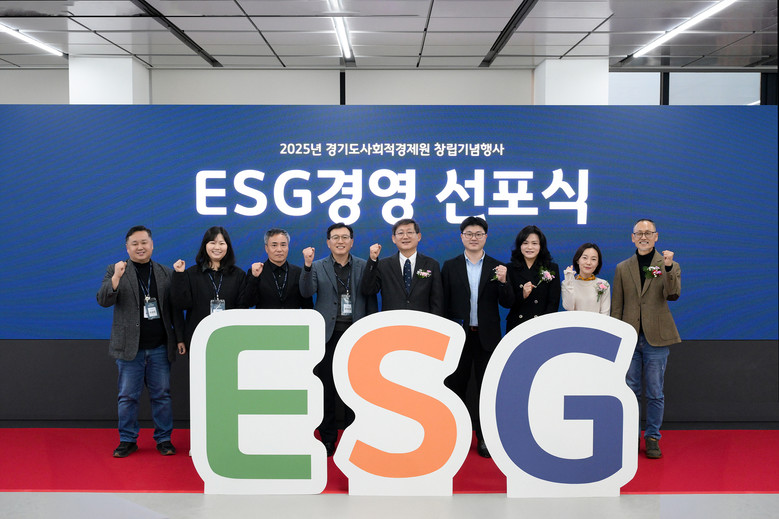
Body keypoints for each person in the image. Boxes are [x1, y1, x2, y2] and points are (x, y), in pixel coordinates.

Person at [97, 225, 185, 458]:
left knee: (162, 396)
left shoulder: (165, 273)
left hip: (159, 347)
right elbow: (103, 300)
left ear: (152, 245)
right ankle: (127, 440)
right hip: (129, 348)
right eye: (134, 243)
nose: (140, 247)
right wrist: (116, 277)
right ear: (127, 248)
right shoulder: (116, 270)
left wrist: (178, 339)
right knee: (127, 397)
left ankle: (164, 439)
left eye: (144, 242)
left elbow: (174, 309)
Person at [299, 223, 378, 457]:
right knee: (327, 389)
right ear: (328, 242)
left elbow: (371, 298)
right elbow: (306, 292)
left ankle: (356, 438)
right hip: (328, 336)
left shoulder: (363, 265)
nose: (340, 241)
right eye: (335, 237)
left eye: (345, 237)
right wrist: (306, 266)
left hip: (356, 335)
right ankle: (328, 438)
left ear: (352, 242)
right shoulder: (317, 266)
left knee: (356, 389)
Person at [441, 216, 514, 458]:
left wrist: (503, 282)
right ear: (461, 237)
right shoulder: (450, 266)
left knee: (486, 390)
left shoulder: (497, 267)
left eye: (478, 234)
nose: (474, 238)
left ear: (485, 237)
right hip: (458, 338)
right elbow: (443, 303)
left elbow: (508, 302)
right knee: (455, 388)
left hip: (486, 338)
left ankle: (484, 438)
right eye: (469, 234)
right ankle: (455, 437)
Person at [611, 218, 681, 460]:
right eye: (639, 233)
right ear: (632, 238)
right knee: (630, 390)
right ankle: (631, 435)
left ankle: (652, 437)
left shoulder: (667, 264)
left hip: (656, 339)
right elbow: (617, 305)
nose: (643, 237)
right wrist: (617, 338)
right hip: (630, 339)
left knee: (654, 392)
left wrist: (668, 268)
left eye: (648, 233)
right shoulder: (623, 268)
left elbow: (673, 294)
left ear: (656, 236)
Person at [171, 226, 246, 349]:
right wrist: (179, 275)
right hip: (198, 339)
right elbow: (181, 304)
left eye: (221, 243)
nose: (217, 247)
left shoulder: (238, 275)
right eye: (212, 243)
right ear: (205, 246)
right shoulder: (191, 273)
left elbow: (242, 309)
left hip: (229, 339)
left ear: (227, 247)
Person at [360, 218, 443, 315]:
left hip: (422, 322)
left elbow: (437, 301)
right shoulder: (383, 265)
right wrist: (372, 260)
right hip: (392, 321)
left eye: (410, 232)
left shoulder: (431, 264)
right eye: (400, 233)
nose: (405, 236)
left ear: (419, 236)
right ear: (393, 239)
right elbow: (368, 290)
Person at [239, 228, 313, 310]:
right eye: (274, 245)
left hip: (292, 318)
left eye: (283, 245)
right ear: (266, 248)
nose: (279, 250)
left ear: (288, 247)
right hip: (265, 318)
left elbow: (308, 305)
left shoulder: (298, 272)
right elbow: (249, 303)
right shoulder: (256, 272)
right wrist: (254, 278)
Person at [505, 225, 561, 331]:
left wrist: (544, 325)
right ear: (520, 245)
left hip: (542, 326)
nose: (529, 247)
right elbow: (507, 303)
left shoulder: (551, 268)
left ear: (541, 246)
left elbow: (553, 303)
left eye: (534, 243)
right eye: (525, 243)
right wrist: (522, 294)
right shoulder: (510, 268)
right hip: (517, 325)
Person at [561, 242, 610, 314]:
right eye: (585, 258)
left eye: (593, 259)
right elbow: (569, 307)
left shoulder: (603, 284)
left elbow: (605, 314)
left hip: (596, 321)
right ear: (578, 260)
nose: (588, 262)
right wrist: (569, 280)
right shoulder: (567, 283)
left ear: (598, 263)